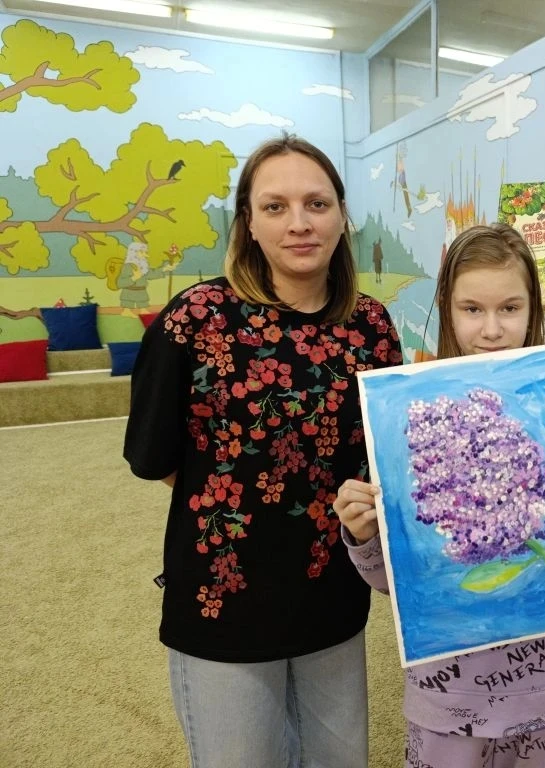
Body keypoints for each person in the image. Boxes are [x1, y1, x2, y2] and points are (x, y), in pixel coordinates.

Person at [123, 134, 403, 768]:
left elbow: (383, 456)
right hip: (224, 601)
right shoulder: (195, 319)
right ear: (248, 222)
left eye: (316, 203)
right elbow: (153, 457)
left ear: (342, 216)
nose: (299, 223)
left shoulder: (370, 326)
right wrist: (240, 501)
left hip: (334, 595)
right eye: (275, 206)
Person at [336, 223, 545, 768]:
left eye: (510, 308)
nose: (492, 329)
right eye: (472, 309)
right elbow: (390, 584)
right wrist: (363, 536)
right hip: (447, 695)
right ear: (448, 311)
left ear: (532, 309)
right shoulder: (405, 413)